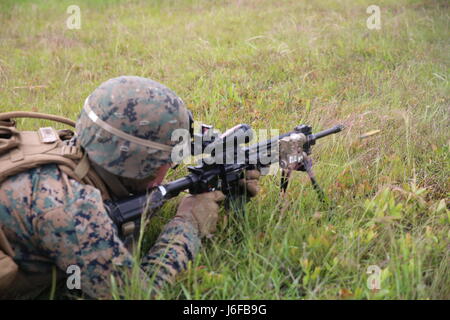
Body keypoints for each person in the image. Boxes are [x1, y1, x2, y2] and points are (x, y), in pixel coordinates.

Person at [0, 76, 260, 299]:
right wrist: (188, 224)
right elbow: (141, 293)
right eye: (169, 158)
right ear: (140, 164)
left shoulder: (62, 147)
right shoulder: (72, 211)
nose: (171, 165)